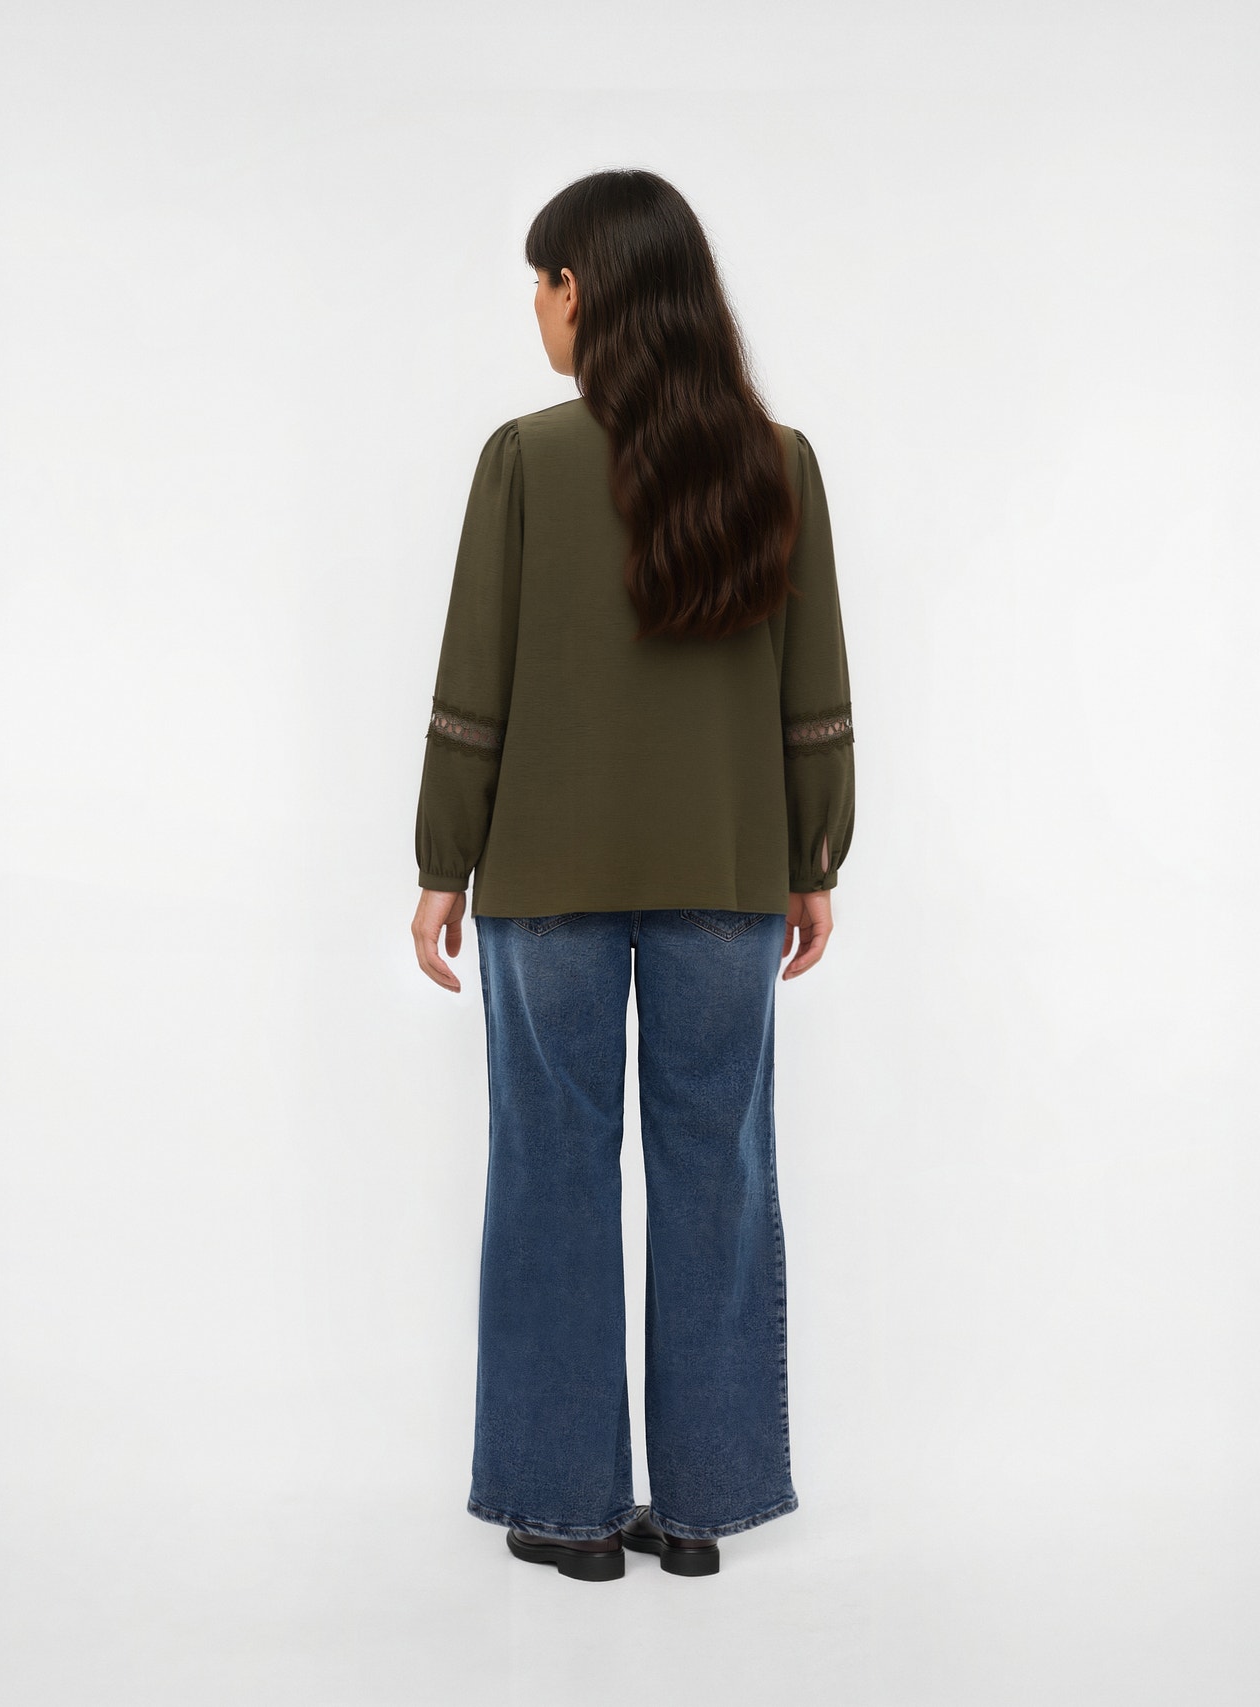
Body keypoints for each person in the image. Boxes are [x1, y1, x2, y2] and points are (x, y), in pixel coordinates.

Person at [411, 169, 854, 1582]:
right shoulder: (777, 461)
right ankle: (708, 1510)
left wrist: (443, 858)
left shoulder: (524, 460)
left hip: (544, 880)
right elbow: (813, 683)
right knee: (717, 1176)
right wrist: (813, 854)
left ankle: (569, 1513)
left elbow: (474, 676)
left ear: (583, 290)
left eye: (543, 283)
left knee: (550, 1176)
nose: (538, 312)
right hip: (730, 868)